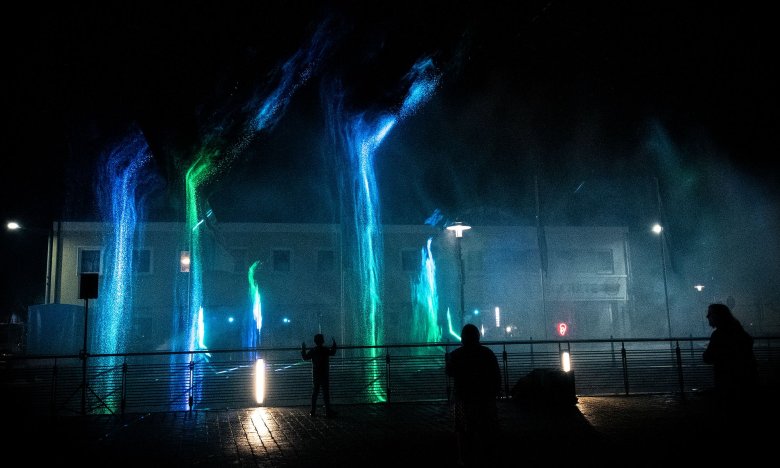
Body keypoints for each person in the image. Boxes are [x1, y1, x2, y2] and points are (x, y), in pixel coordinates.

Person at [445, 323, 502, 467]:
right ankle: (487, 458)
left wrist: (448, 361)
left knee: (462, 430)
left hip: (463, 398)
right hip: (485, 399)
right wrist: (495, 392)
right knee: (485, 430)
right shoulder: (487, 353)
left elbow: (450, 372)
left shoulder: (457, 355)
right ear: (478, 336)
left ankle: (463, 458)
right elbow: (496, 375)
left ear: (463, 338)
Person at [702, 303, 759, 405]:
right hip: (746, 379)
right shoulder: (738, 331)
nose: (707, 317)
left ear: (717, 316)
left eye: (710, 314)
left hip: (726, 381)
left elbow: (708, 357)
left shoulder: (719, 335)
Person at [301, 333, 338, 418]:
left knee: (315, 393)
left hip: (316, 373)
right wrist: (334, 344)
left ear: (315, 341)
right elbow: (333, 352)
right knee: (325, 393)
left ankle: (313, 411)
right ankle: (328, 411)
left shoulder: (313, 350)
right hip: (324, 373)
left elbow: (305, 357)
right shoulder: (325, 350)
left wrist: (303, 349)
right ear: (323, 341)